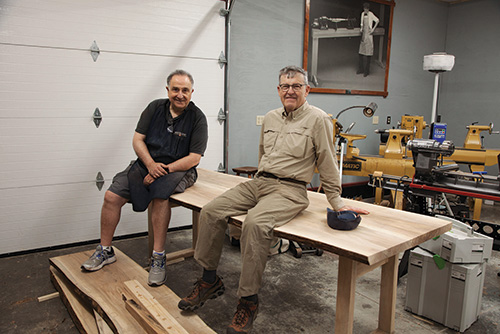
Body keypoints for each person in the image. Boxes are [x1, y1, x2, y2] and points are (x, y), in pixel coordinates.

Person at [177, 65, 369, 333]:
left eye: (296, 86)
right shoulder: (270, 117)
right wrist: (258, 184)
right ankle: (209, 281)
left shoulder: (318, 120)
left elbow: (327, 160)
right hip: (261, 182)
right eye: (285, 86)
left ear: (307, 90)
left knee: (255, 224)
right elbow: (263, 153)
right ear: (278, 90)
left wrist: (336, 200)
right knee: (211, 211)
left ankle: (248, 301)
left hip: (291, 190)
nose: (290, 91)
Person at [81, 69, 208, 287]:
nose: (180, 94)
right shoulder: (154, 108)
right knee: (111, 196)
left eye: (185, 90)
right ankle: (105, 250)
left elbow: (194, 158)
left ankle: (158, 257)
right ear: (167, 90)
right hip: (146, 164)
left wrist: (162, 171)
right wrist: (150, 165)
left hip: (179, 170)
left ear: (192, 92)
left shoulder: (198, 118)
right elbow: (138, 140)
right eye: (175, 89)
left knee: (160, 196)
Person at [357, 2, 379, 77]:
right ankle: (361, 69)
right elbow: (361, 24)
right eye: (364, 9)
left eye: (366, 9)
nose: (365, 10)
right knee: (361, 53)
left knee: (368, 54)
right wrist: (361, 28)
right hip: (363, 35)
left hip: (369, 35)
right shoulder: (362, 14)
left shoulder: (371, 14)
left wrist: (372, 29)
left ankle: (367, 71)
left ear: (368, 9)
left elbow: (377, 20)